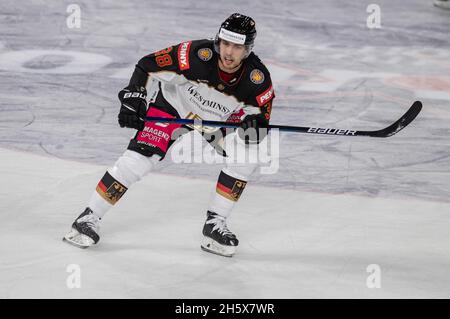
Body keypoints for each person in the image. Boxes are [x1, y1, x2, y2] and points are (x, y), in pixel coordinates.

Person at [63, 13, 275, 257]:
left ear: (248, 49)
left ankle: (214, 224)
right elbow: (147, 65)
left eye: (237, 47)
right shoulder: (194, 55)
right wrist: (134, 95)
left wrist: (254, 127)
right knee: (140, 158)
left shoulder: (257, 80)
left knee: (247, 156)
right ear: (218, 41)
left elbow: (260, 124)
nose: (228, 53)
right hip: (174, 107)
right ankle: (88, 216)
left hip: (215, 121)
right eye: (225, 43)